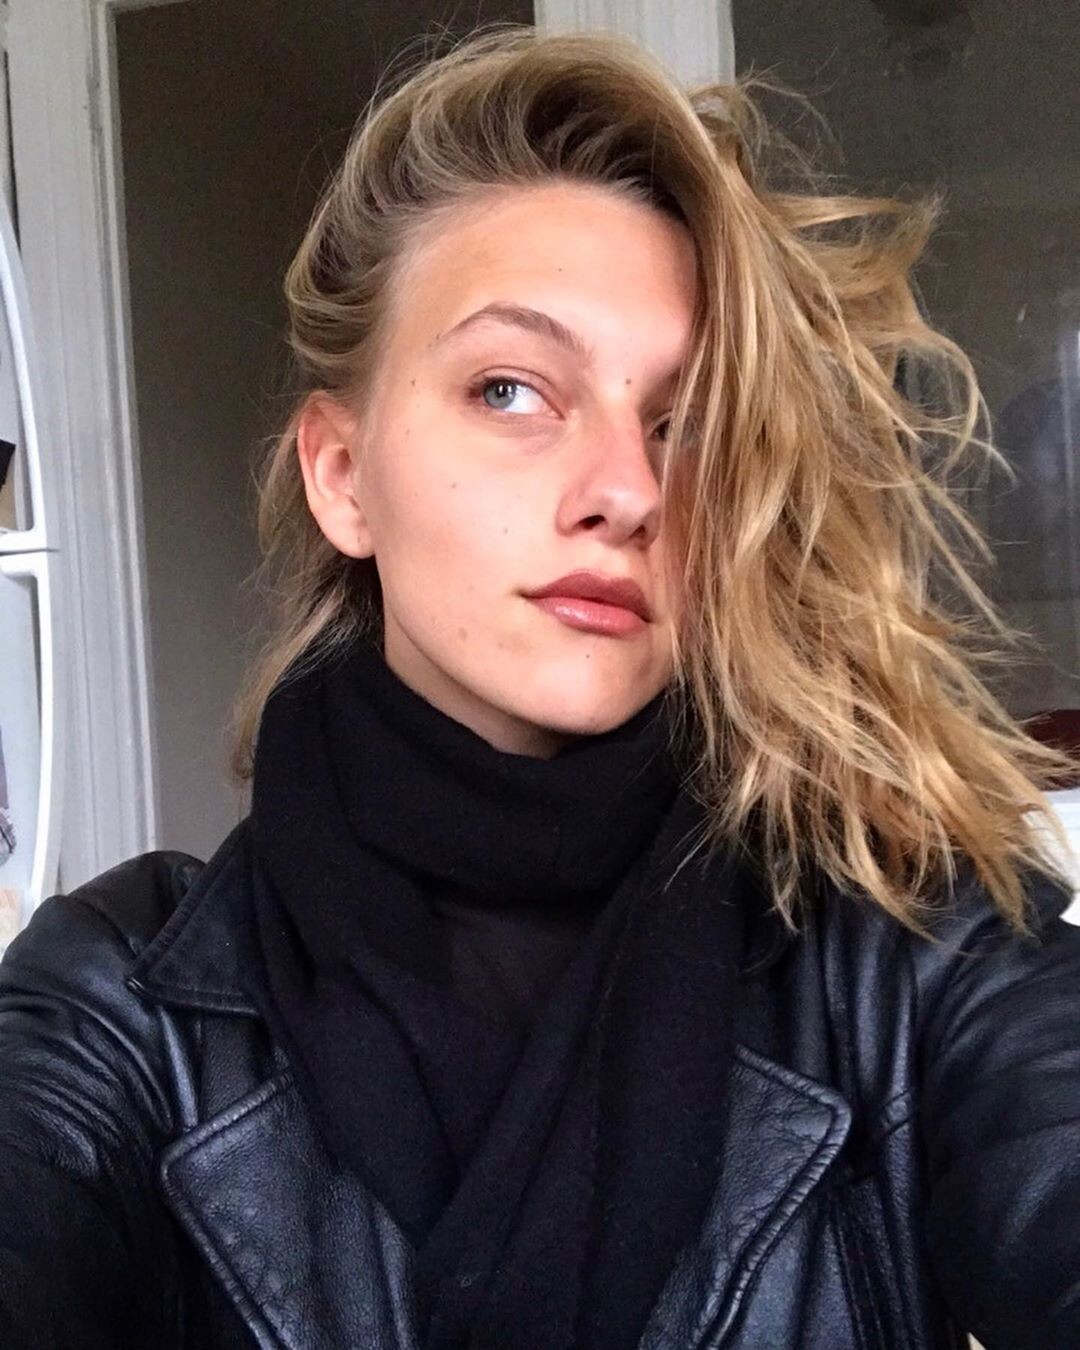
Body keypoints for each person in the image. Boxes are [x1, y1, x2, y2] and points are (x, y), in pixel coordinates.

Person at [0, 23, 1077, 1350]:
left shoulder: (907, 953)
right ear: (342, 475)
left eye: (684, 423)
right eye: (511, 389)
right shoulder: (126, 1003)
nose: (629, 489)